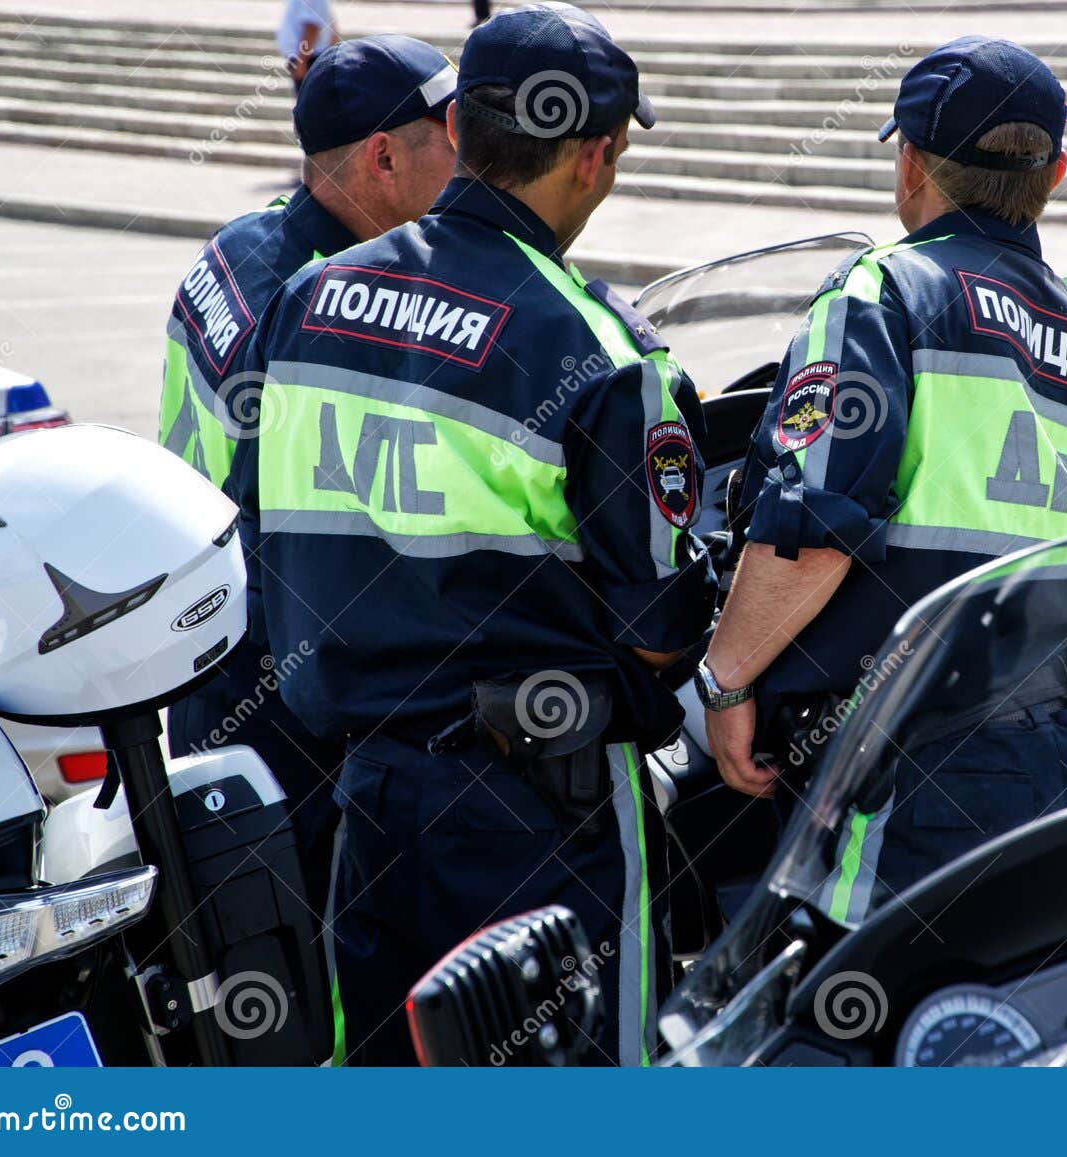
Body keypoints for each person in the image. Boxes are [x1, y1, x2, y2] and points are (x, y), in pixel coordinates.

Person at [227, 3, 715, 1066]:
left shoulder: (311, 294)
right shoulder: (603, 349)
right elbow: (664, 629)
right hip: (540, 816)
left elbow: (257, 527)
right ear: (595, 157)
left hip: (368, 789)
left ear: (461, 132)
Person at [696, 37, 1067, 920]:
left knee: (865, 1024)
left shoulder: (885, 294)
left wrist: (725, 682)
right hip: (1052, 766)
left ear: (910, 163)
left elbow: (817, 525)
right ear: (1057, 173)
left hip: (901, 762)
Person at [159, 35, 458, 915]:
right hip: (287, 696)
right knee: (311, 955)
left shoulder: (236, 247)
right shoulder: (327, 313)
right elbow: (328, 545)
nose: (469, 161)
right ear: (384, 156)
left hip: (205, 654)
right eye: (453, 137)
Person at [277, 0, 338, 88]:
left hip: (308, 58)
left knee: (309, 98)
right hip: (309, 57)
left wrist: (302, 61)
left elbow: (312, 27)